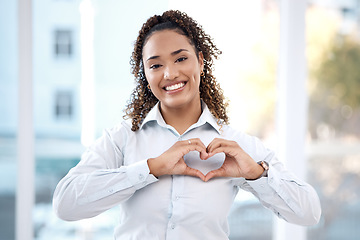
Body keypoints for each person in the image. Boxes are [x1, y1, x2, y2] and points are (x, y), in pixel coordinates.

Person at [53, 10, 321, 240]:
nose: (170, 73)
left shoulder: (234, 144)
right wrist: (151, 168)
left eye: (181, 58)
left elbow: (309, 212)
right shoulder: (122, 139)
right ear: (145, 75)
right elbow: (65, 204)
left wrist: (256, 174)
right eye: (156, 65)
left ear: (201, 61)